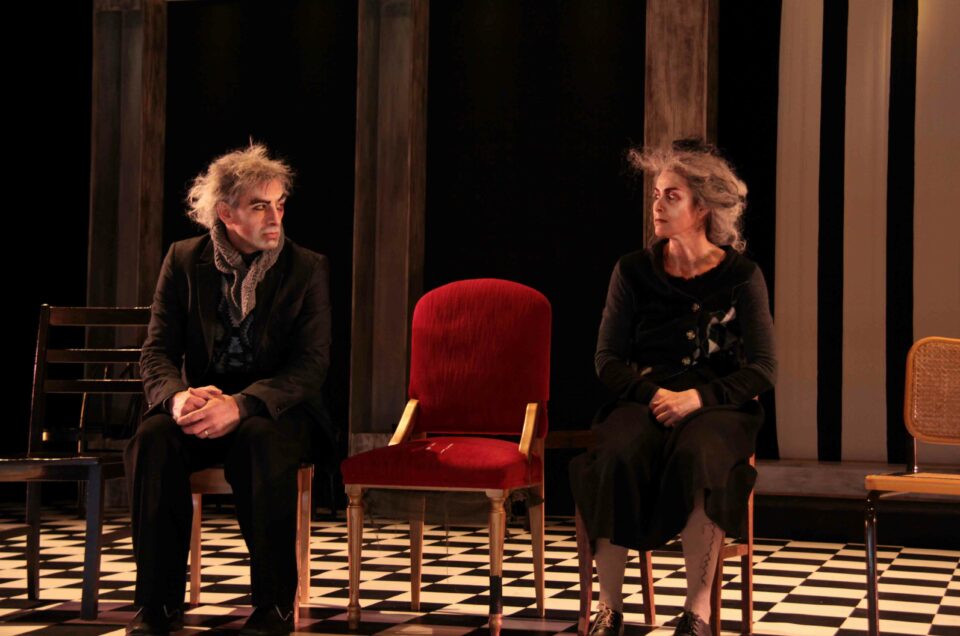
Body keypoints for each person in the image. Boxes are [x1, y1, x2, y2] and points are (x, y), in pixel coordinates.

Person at [570, 139, 776, 636]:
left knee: (699, 453)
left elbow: (764, 368)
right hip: (648, 398)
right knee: (616, 452)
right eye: (656, 194)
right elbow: (606, 360)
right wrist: (654, 396)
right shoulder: (632, 271)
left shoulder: (742, 276)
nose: (657, 205)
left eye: (671, 196)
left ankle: (696, 613)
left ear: (702, 207)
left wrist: (698, 399)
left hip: (718, 404)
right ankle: (609, 609)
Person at [124, 144, 332, 636]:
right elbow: (155, 352)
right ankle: (156, 606)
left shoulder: (306, 267)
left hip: (276, 410)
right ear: (226, 212)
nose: (275, 217)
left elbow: (311, 366)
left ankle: (274, 607)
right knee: (153, 439)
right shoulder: (182, 259)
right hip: (201, 403)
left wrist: (241, 405)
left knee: (260, 440)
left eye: (279, 204)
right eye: (260, 206)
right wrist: (178, 397)